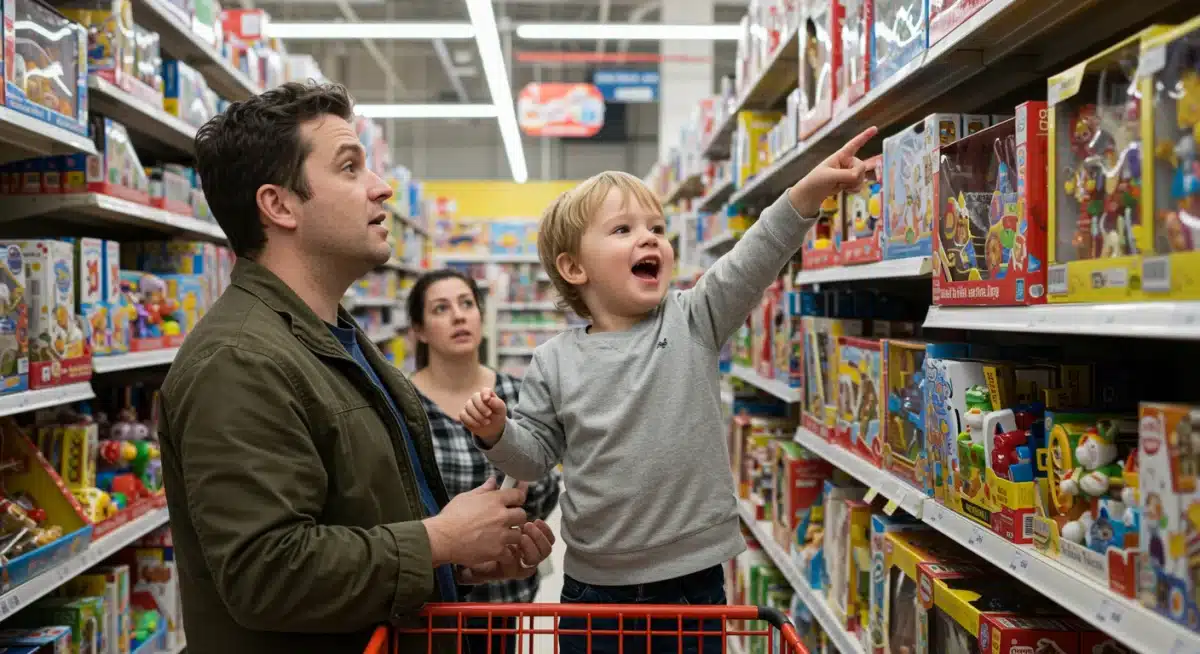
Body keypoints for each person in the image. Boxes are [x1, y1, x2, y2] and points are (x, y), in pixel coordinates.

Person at [158, 81, 554, 654]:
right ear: (279, 205)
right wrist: (438, 541)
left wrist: (456, 564)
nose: (382, 187)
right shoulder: (239, 360)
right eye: (350, 168)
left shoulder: (334, 336)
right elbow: (264, 574)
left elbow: (359, 515)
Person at [460, 128, 880, 654]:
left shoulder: (693, 319)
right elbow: (534, 460)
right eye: (622, 229)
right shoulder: (555, 360)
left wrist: (806, 194)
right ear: (574, 267)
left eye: (657, 227)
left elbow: (753, 258)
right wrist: (497, 432)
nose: (651, 237)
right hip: (595, 590)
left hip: (692, 583)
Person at [406, 268, 563, 654]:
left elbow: (546, 486)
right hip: (428, 604)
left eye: (466, 304)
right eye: (441, 309)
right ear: (420, 330)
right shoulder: (401, 402)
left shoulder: (517, 392)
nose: (459, 316)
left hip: (506, 598)